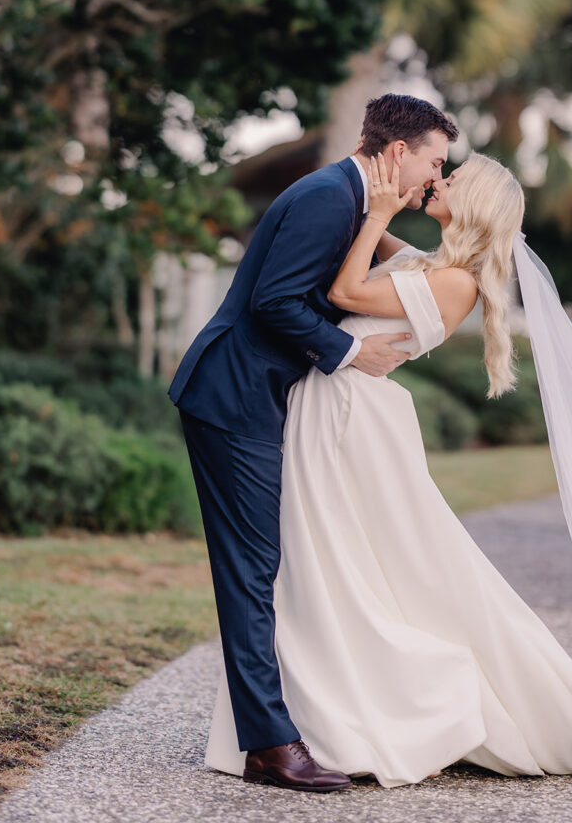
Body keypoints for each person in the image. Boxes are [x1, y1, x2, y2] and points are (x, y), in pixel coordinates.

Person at [203, 150, 572, 788]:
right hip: (331, 408)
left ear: (474, 206)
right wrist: (370, 199)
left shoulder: (456, 281)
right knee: (318, 563)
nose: (437, 181)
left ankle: (404, 703)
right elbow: (363, 236)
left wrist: (381, 209)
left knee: (333, 559)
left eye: (452, 179)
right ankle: (308, 711)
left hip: (349, 419)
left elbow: (344, 291)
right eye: (439, 169)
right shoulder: (434, 263)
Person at [168, 94, 457, 792]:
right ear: (397, 152)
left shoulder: (358, 203)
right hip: (234, 395)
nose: (435, 177)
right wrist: (348, 355)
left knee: (265, 563)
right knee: (253, 568)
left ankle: (279, 728)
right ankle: (269, 746)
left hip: (258, 398)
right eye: (434, 161)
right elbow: (273, 302)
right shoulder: (331, 198)